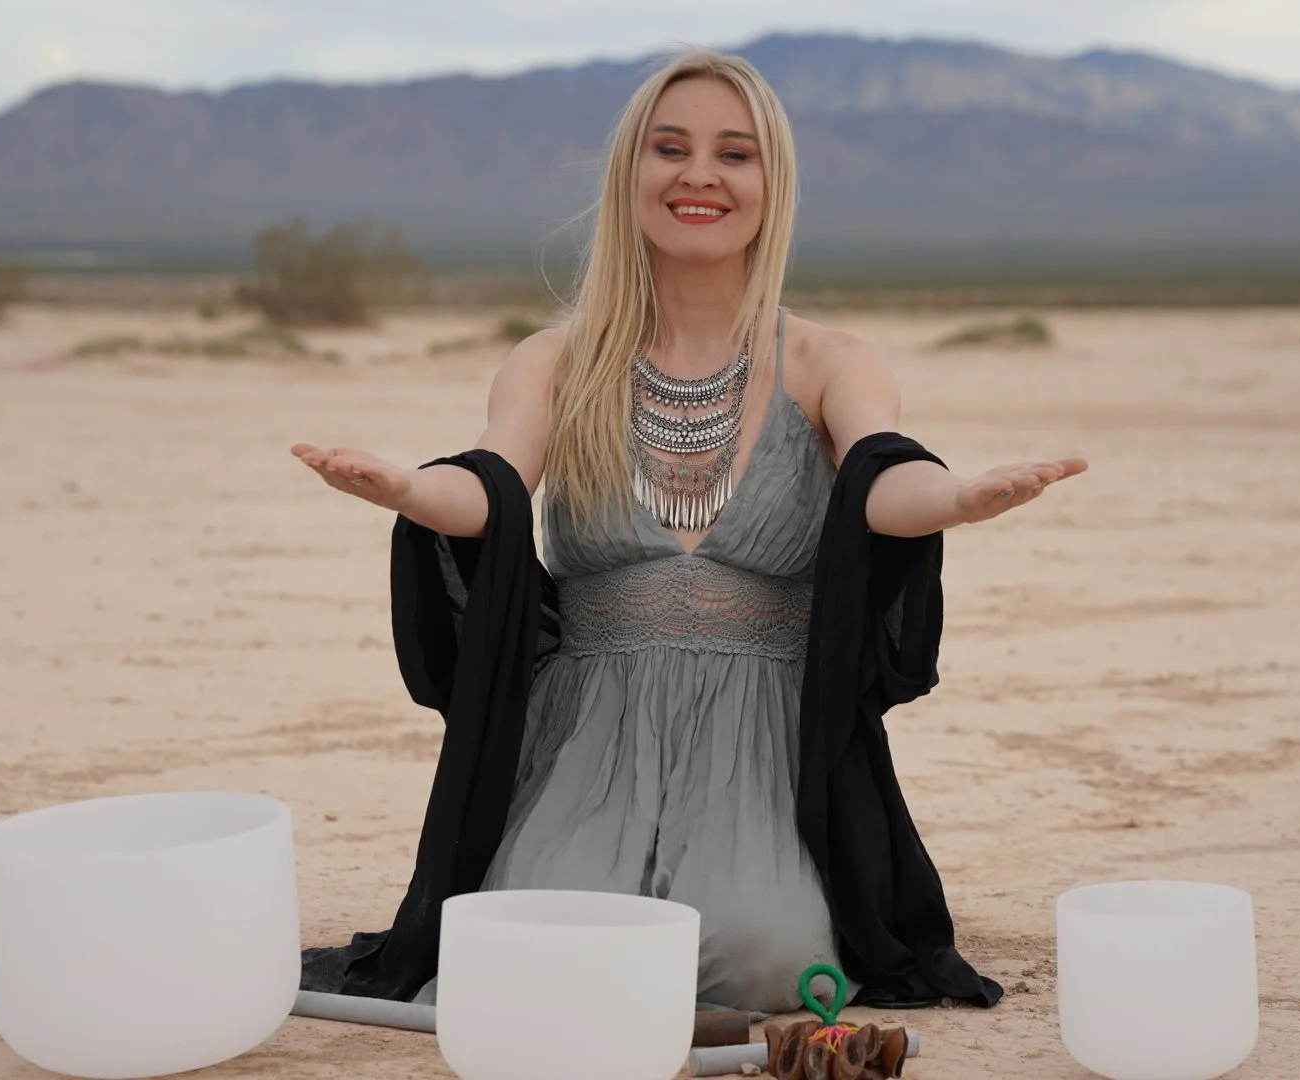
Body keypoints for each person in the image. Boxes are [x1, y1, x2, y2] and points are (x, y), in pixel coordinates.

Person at [290, 48, 1086, 1015]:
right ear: (632, 175)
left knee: (763, 964)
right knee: (536, 946)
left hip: (765, 734)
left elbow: (885, 476)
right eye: (671, 149)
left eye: (733, 154)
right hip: (590, 732)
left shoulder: (832, 360)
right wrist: (414, 488)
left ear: (771, 183)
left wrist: (958, 496)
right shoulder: (555, 360)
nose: (699, 175)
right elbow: (492, 486)